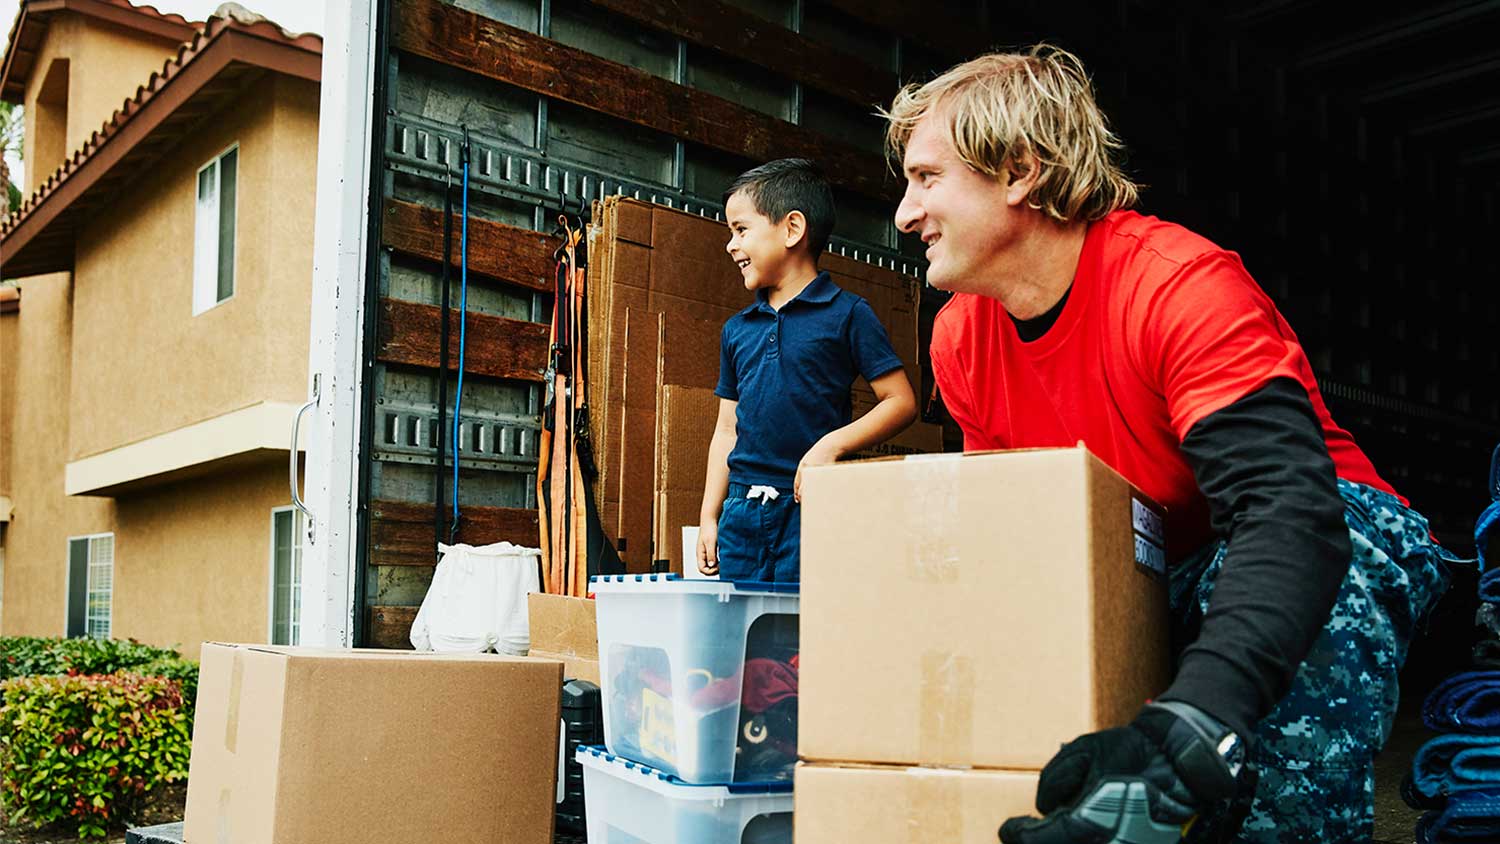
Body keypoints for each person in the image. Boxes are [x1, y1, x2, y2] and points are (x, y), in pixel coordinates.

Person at [881, 45, 1454, 843]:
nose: (905, 214)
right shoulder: (958, 340)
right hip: (1155, 562)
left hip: (1317, 533)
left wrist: (1194, 722)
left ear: (1019, 170)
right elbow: (1014, 547)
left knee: (1259, 714)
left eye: (927, 178)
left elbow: (1289, 508)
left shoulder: (1178, 285)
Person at [696, 158, 917, 583]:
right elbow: (726, 429)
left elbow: (901, 401)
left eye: (741, 230)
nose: (730, 244)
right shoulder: (737, 330)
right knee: (746, 640)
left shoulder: (848, 314)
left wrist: (829, 447)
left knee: (805, 637)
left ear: (792, 229)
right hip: (741, 513)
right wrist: (710, 515)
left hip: (811, 507)